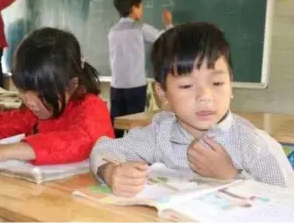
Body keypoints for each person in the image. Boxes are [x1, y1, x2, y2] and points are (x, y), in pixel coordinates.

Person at [91, 22, 294, 197]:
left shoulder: (252, 144)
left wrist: (231, 175)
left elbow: (285, 200)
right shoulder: (160, 134)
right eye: (187, 86)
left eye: (217, 83)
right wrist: (110, 172)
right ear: (162, 93)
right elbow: (104, 149)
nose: (205, 96)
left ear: (230, 85)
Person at [0, 27, 114, 167]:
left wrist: (7, 150)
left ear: (72, 84)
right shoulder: (36, 112)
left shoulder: (92, 108)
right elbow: (6, 122)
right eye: (24, 90)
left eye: (40, 93)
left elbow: (80, 141)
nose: (29, 101)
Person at [109, 0, 173, 137]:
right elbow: (165, 39)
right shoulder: (140, 29)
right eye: (140, 6)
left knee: (116, 127)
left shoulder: (113, 31)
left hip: (116, 87)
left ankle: (115, 156)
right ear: (134, 8)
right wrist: (169, 23)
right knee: (136, 128)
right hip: (135, 87)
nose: (142, 10)